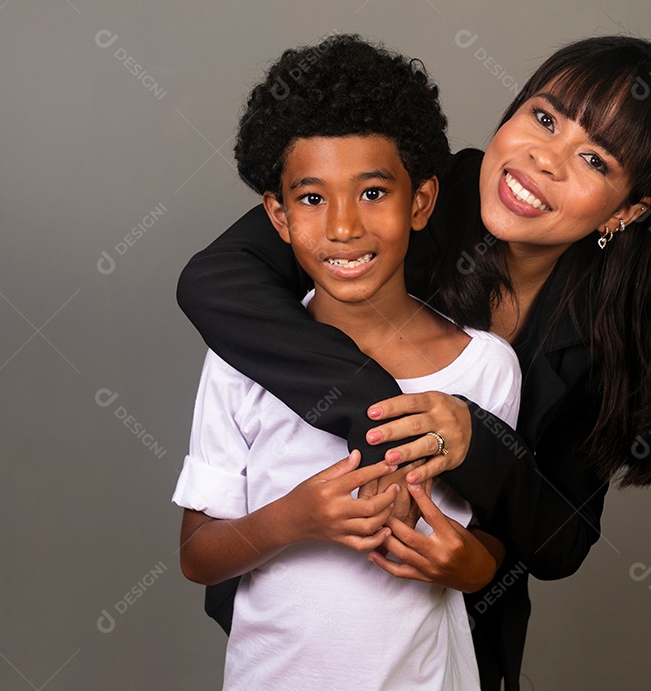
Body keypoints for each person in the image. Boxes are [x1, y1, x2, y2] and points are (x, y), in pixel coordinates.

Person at [177, 34, 651, 690]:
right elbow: (215, 281)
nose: (544, 161)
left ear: (628, 210)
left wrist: (473, 440)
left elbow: (559, 543)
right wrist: (384, 419)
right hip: (294, 631)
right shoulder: (400, 191)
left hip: (444, 646)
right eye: (543, 119)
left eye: (594, 160)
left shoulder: (604, 344)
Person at [172, 34, 523, 690]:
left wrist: (463, 564)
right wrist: (295, 519)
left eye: (371, 193)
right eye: (311, 199)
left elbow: (496, 545)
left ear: (419, 203)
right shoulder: (239, 359)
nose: (342, 227)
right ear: (276, 216)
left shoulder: (486, 368)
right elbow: (198, 554)